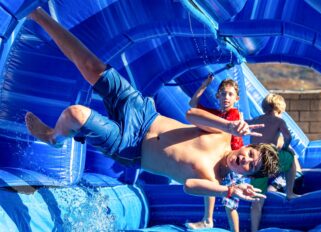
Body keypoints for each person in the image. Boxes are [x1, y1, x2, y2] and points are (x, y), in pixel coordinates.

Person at [24, 8, 279, 202]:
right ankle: (38, 15)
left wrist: (228, 190)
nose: (244, 161)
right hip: (144, 114)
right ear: (250, 147)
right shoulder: (224, 135)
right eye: (251, 155)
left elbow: (189, 186)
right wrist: (229, 126)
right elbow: (191, 115)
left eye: (249, 167)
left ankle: (53, 137)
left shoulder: (214, 179)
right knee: (93, 66)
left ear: (245, 176)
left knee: (74, 115)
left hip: (130, 146)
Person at [186, 75, 244, 231]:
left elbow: (229, 127)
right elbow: (192, 104)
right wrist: (204, 85)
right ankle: (207, 220)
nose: (226, 97)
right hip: (219, 161)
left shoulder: (234, 114)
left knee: (229, 204)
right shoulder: (217, 115)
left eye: (230, 94)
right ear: (217, 96)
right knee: (209, 182)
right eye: (223, 93)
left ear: (236, 98)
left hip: (233, 164)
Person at [247, 93, 303, 232]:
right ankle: (289, 192)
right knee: (291, 158)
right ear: (280, 110)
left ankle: (254, 230)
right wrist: (285, 148)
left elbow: (244, 124)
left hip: (255, 164)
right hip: (269, 159)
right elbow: (288, 137)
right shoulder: (279, 121)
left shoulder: (255, 120)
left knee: (257, 201)